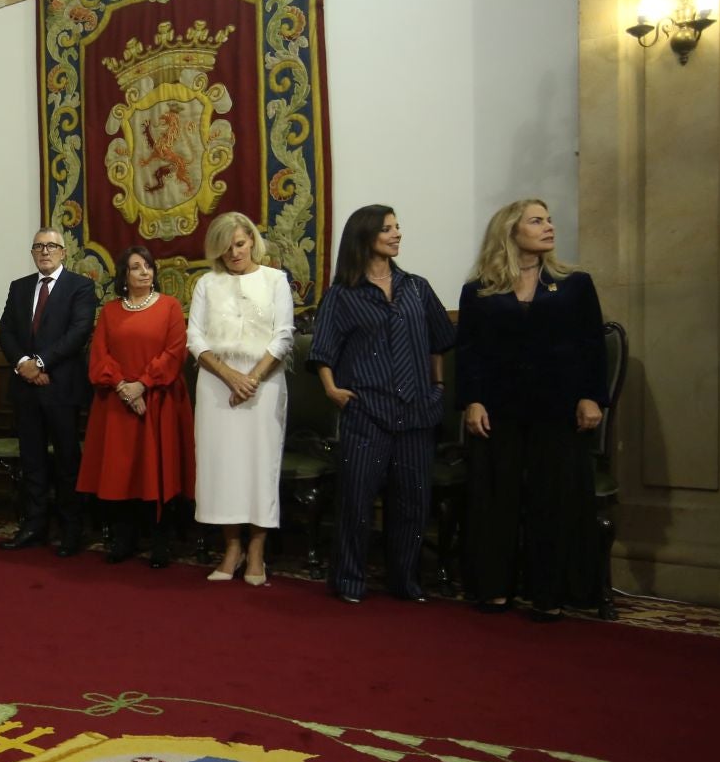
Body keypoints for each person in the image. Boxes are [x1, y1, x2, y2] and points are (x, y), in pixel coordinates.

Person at [456, 198, 607, 621]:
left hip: (559, 407)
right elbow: (470, 351)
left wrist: (591, 395)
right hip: (498, 408)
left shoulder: (574, 283)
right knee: (495, 498)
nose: (548, 227)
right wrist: (473, 400)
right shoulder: (480, 289)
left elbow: (591, 345)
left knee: (553, 500)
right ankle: (493, 588)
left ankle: (549, 593)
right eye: (536, 221)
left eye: (549, 220)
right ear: (511, 231)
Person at [309, 204, 455, 604]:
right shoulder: (342, 295)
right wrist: (332, 391)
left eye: (397, 227)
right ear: (366, 236)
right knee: (356, 502)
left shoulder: (417, 287)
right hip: (365, 413)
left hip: (416, 412)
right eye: (388, 229)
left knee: (412, 502)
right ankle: (350, 582)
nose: (397, 234)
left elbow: (441, 341)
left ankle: (405, 581)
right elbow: (322, 352)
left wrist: (437, 386)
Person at [185, 214, 296, 583]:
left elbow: (283, 337)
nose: (234, 253)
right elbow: (195, 340)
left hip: (263, 386)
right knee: (221, 467)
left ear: (252, 241)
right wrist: (231, 376)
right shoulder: (206, 284)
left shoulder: (275, 280)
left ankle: (258, 552)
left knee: (259, 465)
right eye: (226, 246)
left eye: (240, 243)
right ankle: (231, 547)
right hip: (217, 385)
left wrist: (251, 378)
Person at [79, 244, 194, 568]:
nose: (145, 272)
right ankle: (123, 537)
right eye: (136, 267)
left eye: (148, 266)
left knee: (157, 470)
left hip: (160, 401)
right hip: (117, 404)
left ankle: (161, 541)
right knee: (122, 472)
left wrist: (143, 383)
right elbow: (99, 356)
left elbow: (175, 352)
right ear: (124, 276)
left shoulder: (170, 307)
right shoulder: (110, 312)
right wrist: (124, 388)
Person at [0, 227, 96, 555]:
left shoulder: (80, 287)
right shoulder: (19, 287)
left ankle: (71, 530)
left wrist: (39, 362)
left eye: (52, 246)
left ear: (64, 253)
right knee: (32, 461)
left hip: (62, 388)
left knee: (67, 462)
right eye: (39, 246)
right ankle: (34, 525)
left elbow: (79, 331)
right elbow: (7, 331)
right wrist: (24, 362)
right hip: (25, 390)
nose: (45, 251)